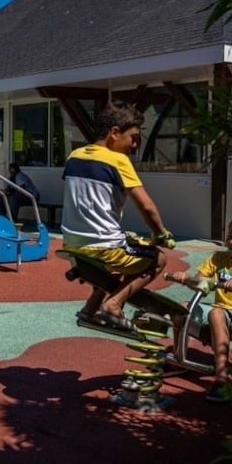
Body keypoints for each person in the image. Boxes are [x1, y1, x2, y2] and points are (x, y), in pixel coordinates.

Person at [61, 102, 171, 334]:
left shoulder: (74, 156)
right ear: (114, 133)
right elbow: (147, 206)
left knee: (123, 248)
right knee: (158, 259)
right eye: (133, 137)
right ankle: (114, 304)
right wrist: (160, 233)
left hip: (72, 243)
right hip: (104, 247)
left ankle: (91, 308)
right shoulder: (117, 160)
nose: (135, 144)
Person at [166, 215, 232, 403]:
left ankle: (221, 379)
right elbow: (198, 281)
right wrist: (186, 279)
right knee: (182, 308)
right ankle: (178, 358)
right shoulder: (218, 258)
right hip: (219, 311)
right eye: (230, 237)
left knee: (216, 313)